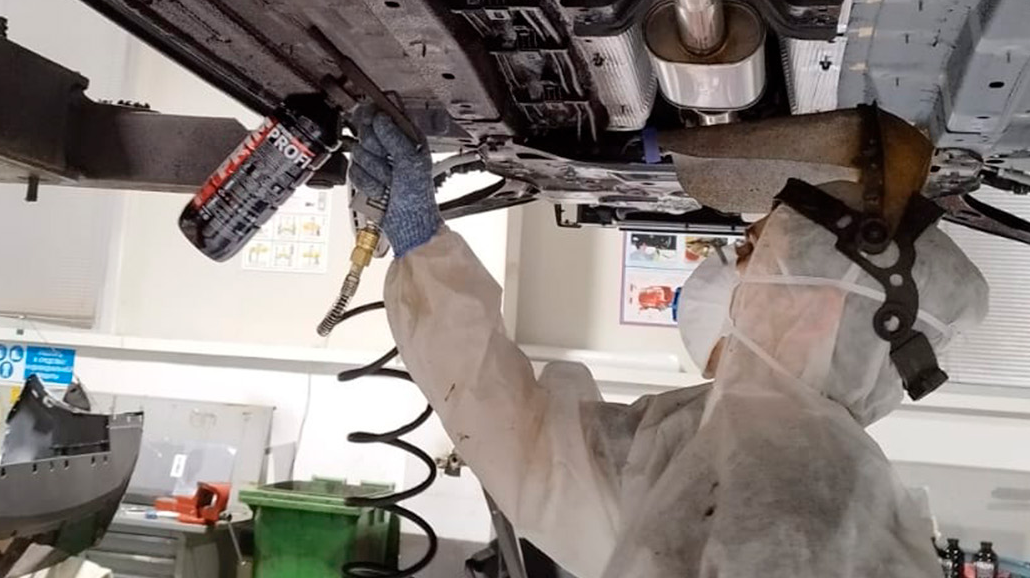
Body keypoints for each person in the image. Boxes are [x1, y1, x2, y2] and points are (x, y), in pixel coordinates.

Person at [348, 112, 990, 578]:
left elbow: (534, 459)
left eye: (755, 253)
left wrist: (420, 244)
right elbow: (532, 447)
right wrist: (422, 245)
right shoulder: (718, 439)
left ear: (816, 311)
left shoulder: (802, 511)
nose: (737, 272)